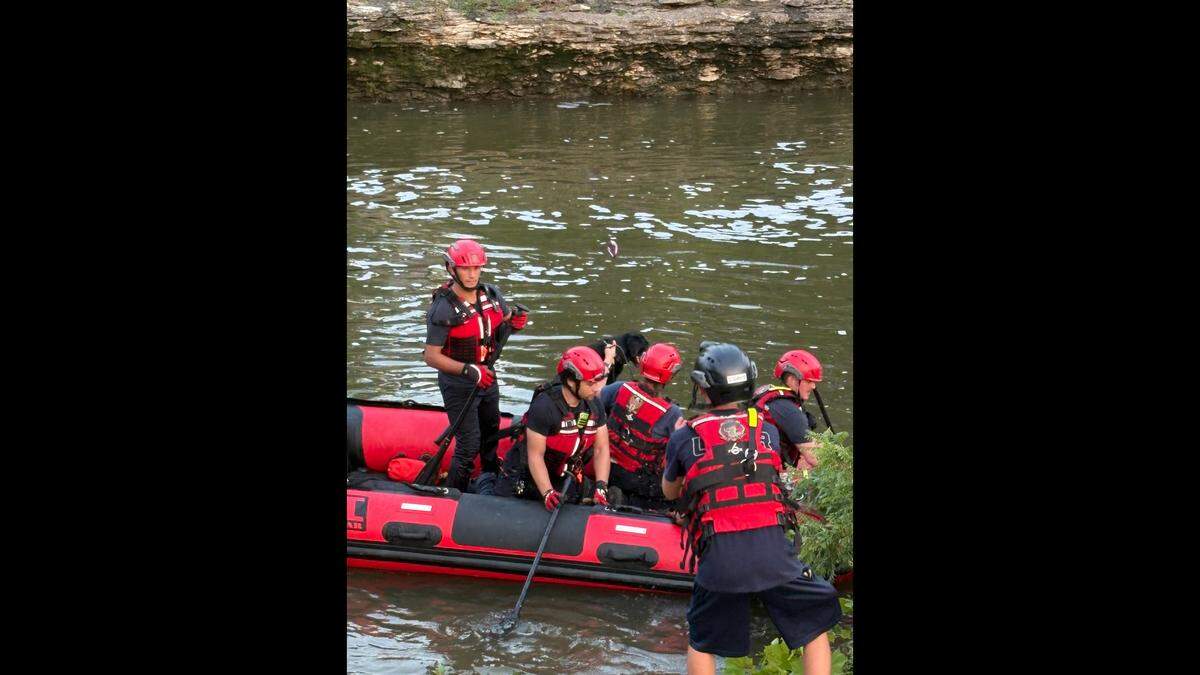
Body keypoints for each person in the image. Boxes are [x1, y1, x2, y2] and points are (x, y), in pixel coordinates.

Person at [662, 342, 841, 675]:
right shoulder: (768, 430)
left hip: (720, 560)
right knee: (815, 626)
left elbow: (670, 490)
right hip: (774, 554)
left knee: (702, 640)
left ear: (703, 387)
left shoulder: (685, 436)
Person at [422, 239, 528, 492]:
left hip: (487, 377)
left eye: (476, 268)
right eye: (465, 269)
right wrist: (469, 371)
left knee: (491, 432)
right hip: (459, 382)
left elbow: (497, 328)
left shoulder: (491, 295)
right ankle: (454, 493)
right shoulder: (443, 307)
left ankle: (491, 481)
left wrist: (513, 323)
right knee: (468, 444)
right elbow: (431, 356)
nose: (471, 274)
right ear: (451, 269)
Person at [496, 346, 613, 510]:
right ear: (572, 381)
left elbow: (601, 448)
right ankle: (484, 480)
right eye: (590, 383)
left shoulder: (594, 405)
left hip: (562, 474)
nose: (597, 388)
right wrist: (547, 492)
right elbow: (535, 456)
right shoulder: (545, 407)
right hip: (526, 474)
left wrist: (601, 486)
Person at [598, 342, 684, 510]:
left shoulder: (619, 388)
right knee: (674, 491)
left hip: (605, 466)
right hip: (635, 478)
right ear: (670, 376)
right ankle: (628, 502)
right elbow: (680, 451)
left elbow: (594, 404)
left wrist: (608, 361)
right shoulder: (672, 413)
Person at [751, 349, 826, 470]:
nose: (813, 386)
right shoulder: (789, 411)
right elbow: (814, 457)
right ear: (792, 380)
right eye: (809, 381)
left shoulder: (768, 397)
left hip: (754, 465)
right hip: (772, 475)